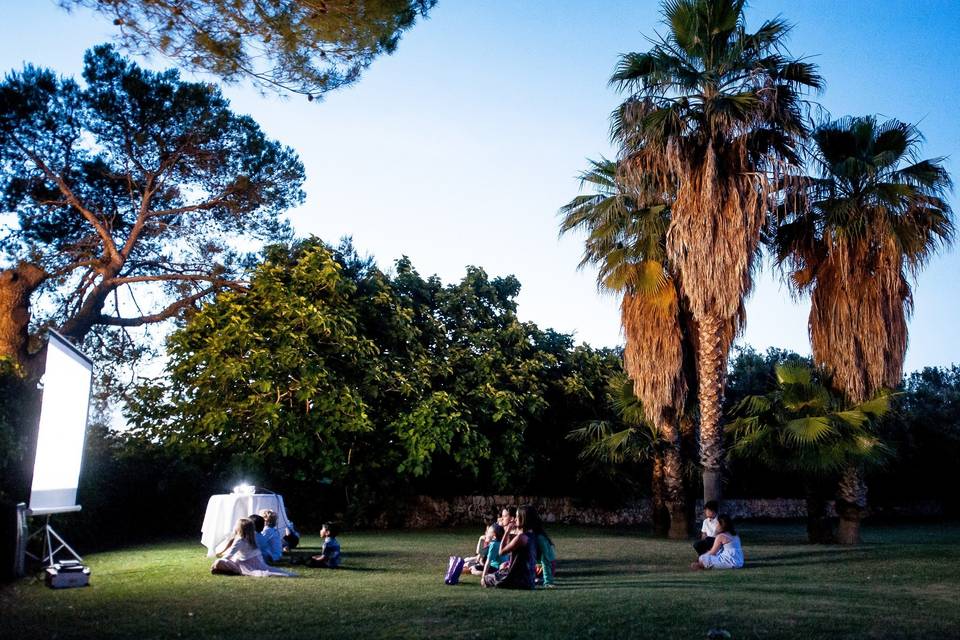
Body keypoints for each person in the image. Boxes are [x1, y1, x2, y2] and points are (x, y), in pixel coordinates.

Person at [210, 517, 293, 577]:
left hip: (245, 563)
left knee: (219, 562)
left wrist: (216, 562)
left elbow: (229, 555)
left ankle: (233, 571)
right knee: (230, 560)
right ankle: (228, 570)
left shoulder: (240, 540)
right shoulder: (254, 536)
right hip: (257, 561)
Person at [482, 505, 538, 589]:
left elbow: (501, 552)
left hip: (518, 580)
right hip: (529, 579)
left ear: (523, 519)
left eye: (517, 517)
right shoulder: (532, 536)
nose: (515, 519)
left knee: (485, 580)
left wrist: (507, 531)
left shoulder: (521, 538)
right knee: (501, 571)